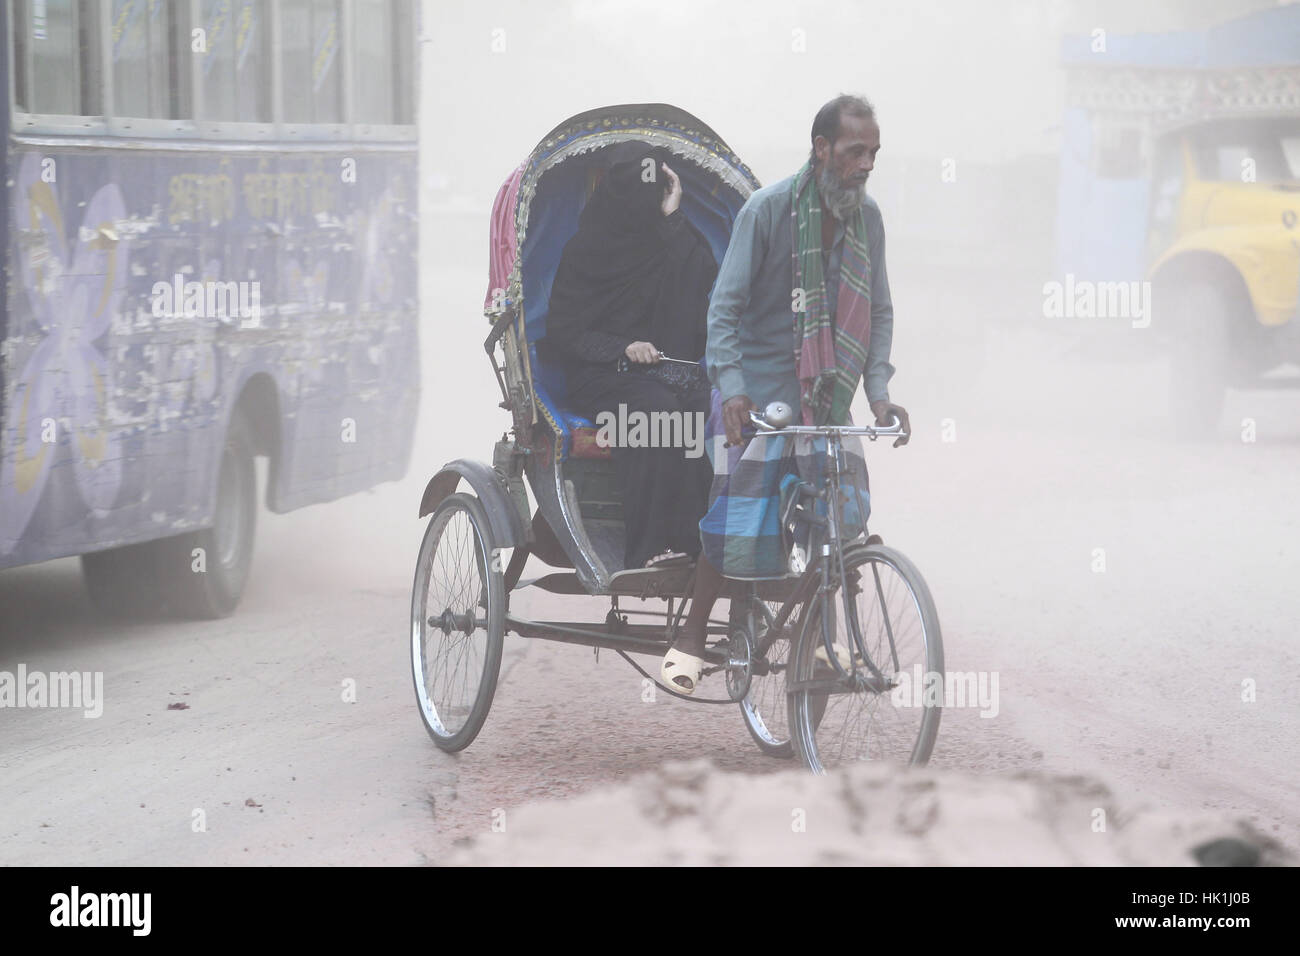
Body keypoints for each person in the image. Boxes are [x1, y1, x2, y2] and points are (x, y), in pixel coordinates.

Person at [661, 93, 912, 694]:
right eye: (855, 151)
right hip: (752, 389)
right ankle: (692, 637)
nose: (866, 164)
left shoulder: (867, 220)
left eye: (873, 153)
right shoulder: (767, 210)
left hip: (825, 394)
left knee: (840, 513)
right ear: (821, 149)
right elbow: (724, 311)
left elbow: (877, 312)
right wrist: (734, 390)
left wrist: (878, 395)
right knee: (739, 504)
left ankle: (824, 645)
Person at [543, 146, 718, 570]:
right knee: (654, 416)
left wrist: (673, 217)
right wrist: (622, 346)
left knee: (704, 412)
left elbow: (701, 285)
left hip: (665, 375)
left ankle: (705, 547)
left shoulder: (668, 239)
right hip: (599, 374)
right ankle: (652, 547)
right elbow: (565, 332)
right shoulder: (585, 250)